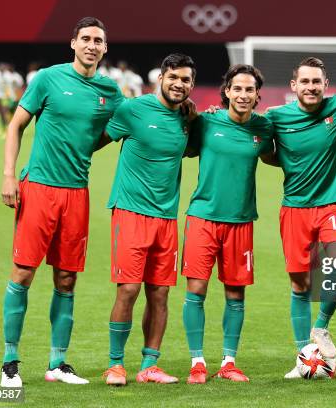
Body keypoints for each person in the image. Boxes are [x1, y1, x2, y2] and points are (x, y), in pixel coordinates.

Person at [0, 16, 124, 387]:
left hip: (77, 193)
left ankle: (58, 363)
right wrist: (9, 174)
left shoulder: (110, 91)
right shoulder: (48, 78)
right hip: (38, 187)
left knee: (67, 278)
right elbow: (15, 124)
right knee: (23, 272)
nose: (91, 45)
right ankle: (10, 361)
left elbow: (122, 125)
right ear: (73, 43)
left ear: (105, 48)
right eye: (85, 38)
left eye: (97, 40)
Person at [101, 53, 196, 386]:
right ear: (161, 78)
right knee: (128, 289)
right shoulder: (132, 110)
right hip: (130, 212)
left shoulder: (188, 118)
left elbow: (199, 143)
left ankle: (149, 365)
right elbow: (97, 141)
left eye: (185, 80)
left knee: (160, 294)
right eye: (174, 77)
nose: (179, 84)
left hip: (166, 218)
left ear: (191, 85)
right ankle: (115, 364)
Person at [266, 57, 336, 378]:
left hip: (334, 205)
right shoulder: (276, 117)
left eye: (316, 82)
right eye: (304, 82)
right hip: (294, 208)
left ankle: (319, 328)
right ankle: (303, 357)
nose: (310, 87)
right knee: (300, 284)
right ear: (293, 86)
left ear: (325, 84)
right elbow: (258, 141)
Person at [181, 64, 274, 384]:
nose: (243, 94)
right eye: (238, 88)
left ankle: (229, 362)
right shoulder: (206, 122)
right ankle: (197, 362)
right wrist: (192, 115)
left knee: (236, 294)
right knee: (196, 290)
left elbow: (275, 155)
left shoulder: (264, 129)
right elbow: (185, 146)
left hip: (241, 221)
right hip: (203, 218)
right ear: (227, 92)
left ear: (258, 95)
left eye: (250, 89)